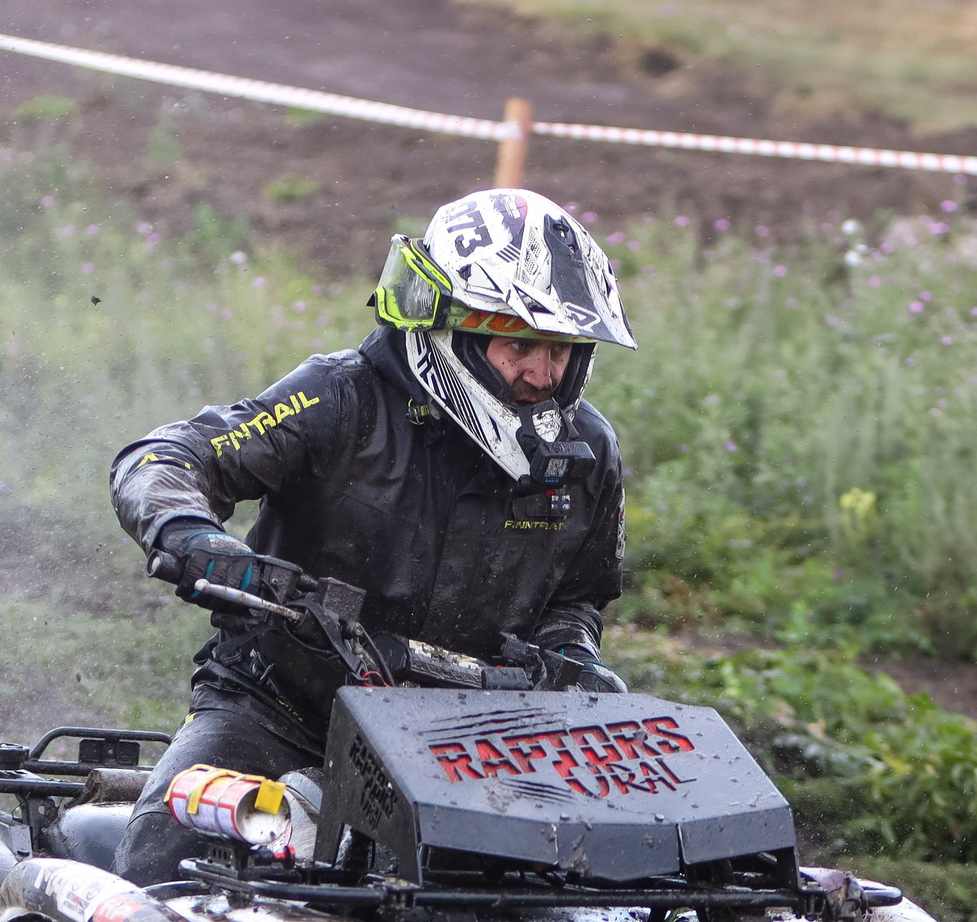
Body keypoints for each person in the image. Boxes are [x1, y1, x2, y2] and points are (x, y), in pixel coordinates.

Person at [108, 186, 637, 885]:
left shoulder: (587, 454)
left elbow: (578, 595)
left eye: (562, 349)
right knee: (163, 862)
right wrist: (191, 537)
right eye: (521, 345)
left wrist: (570, 655)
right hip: (281, 710)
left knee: (591, 895)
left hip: (472, 744)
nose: (543, 374)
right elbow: (169, 457)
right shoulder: (341, 398)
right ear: (457, 330)